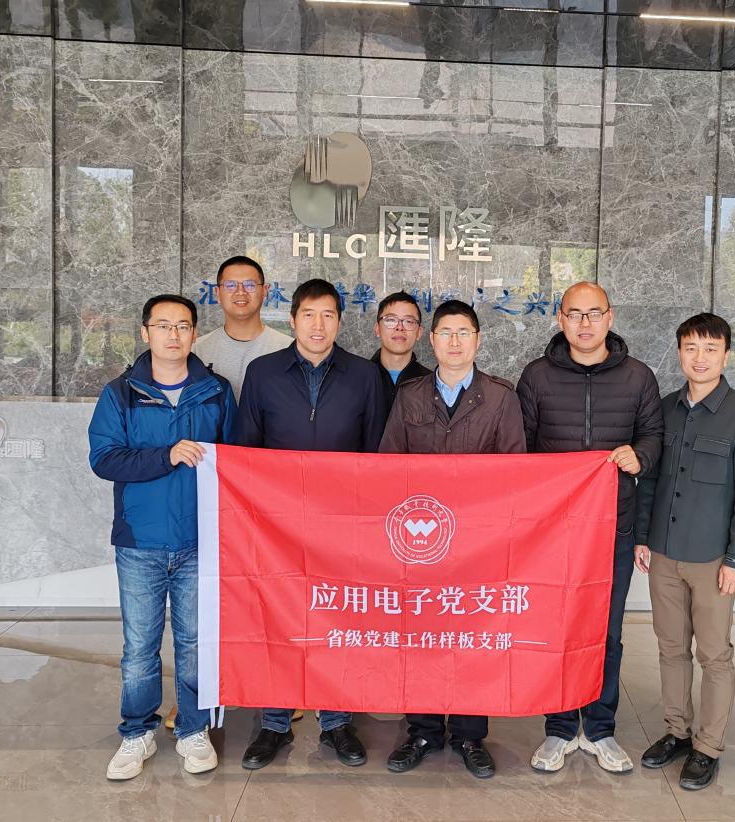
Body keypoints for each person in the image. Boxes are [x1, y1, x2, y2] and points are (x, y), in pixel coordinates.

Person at [235, 278, 388, 771]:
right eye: (308, 315)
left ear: (340, 322)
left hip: (343, 527)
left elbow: (376, 455)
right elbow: (246, 452)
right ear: (292, 319)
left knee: (336, 621)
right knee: (278, 621)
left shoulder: (364, 376)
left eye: (327, 315)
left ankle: (336, 721)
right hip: (276, 527)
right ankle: (274, 723)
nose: (317, 325)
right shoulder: (263, 373)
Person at [516, 281, 663, 774]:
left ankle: (600, 728)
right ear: (560, 319)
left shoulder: (638, 377)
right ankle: (559, 728)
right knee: (556, 628)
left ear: (609, 317)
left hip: (612, 529)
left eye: (594, 313)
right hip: (553, 533)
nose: (584, 323)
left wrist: (639, 455)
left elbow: (653, 435)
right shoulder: (536, 376)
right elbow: (522, 447)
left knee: (606, 632)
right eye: (575, 314)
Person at [88, 294, 236, 781]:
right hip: (140, 542)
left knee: (195, 644)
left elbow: (236, 459)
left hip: (199, 540)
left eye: (183, 326)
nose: (174, 335)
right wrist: (166, 455)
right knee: (139, 647)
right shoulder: (121, 393)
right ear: (145, 332)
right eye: (163, 325)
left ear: (195, 333)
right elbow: (104, 458)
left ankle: (193, 730)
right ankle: (137, 733)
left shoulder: (215, 391)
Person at [378, 299, 526, 779]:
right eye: (446, 332)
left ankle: (469, 735)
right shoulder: (410, 396)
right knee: (420, 635)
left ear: (478, 340)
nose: (455, 342)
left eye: (464, 332)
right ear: (432, 339)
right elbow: (389, 467)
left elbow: (514, 474)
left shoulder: (500, 398)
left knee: (472, 637)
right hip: (418, 541)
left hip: (477, 545)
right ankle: (422, 730)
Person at [633, 313, 735, 790]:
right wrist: (643, 536)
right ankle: (677, 731)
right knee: (671, 648)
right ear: (679, 353)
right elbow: (650, 479)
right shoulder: (664, 409)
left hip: (713, 559)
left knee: (714, 654)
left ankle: (708, 746)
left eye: (711, 349)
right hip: (665, 552)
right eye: (691, 348)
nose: (700, 358)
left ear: (726, 356)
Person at [191, 255, 293, 401]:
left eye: (250, 285)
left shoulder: (289, 349)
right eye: (230, 285)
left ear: (264, 291)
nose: (240, 292)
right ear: (217, 293)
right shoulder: (196, 350)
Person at [370, 290, 431, 408]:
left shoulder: (431, 383)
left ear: (419, 332)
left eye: (409, 321)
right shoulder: (358, 378)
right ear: (377, 329)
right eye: (391, 320)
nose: (399, 327)